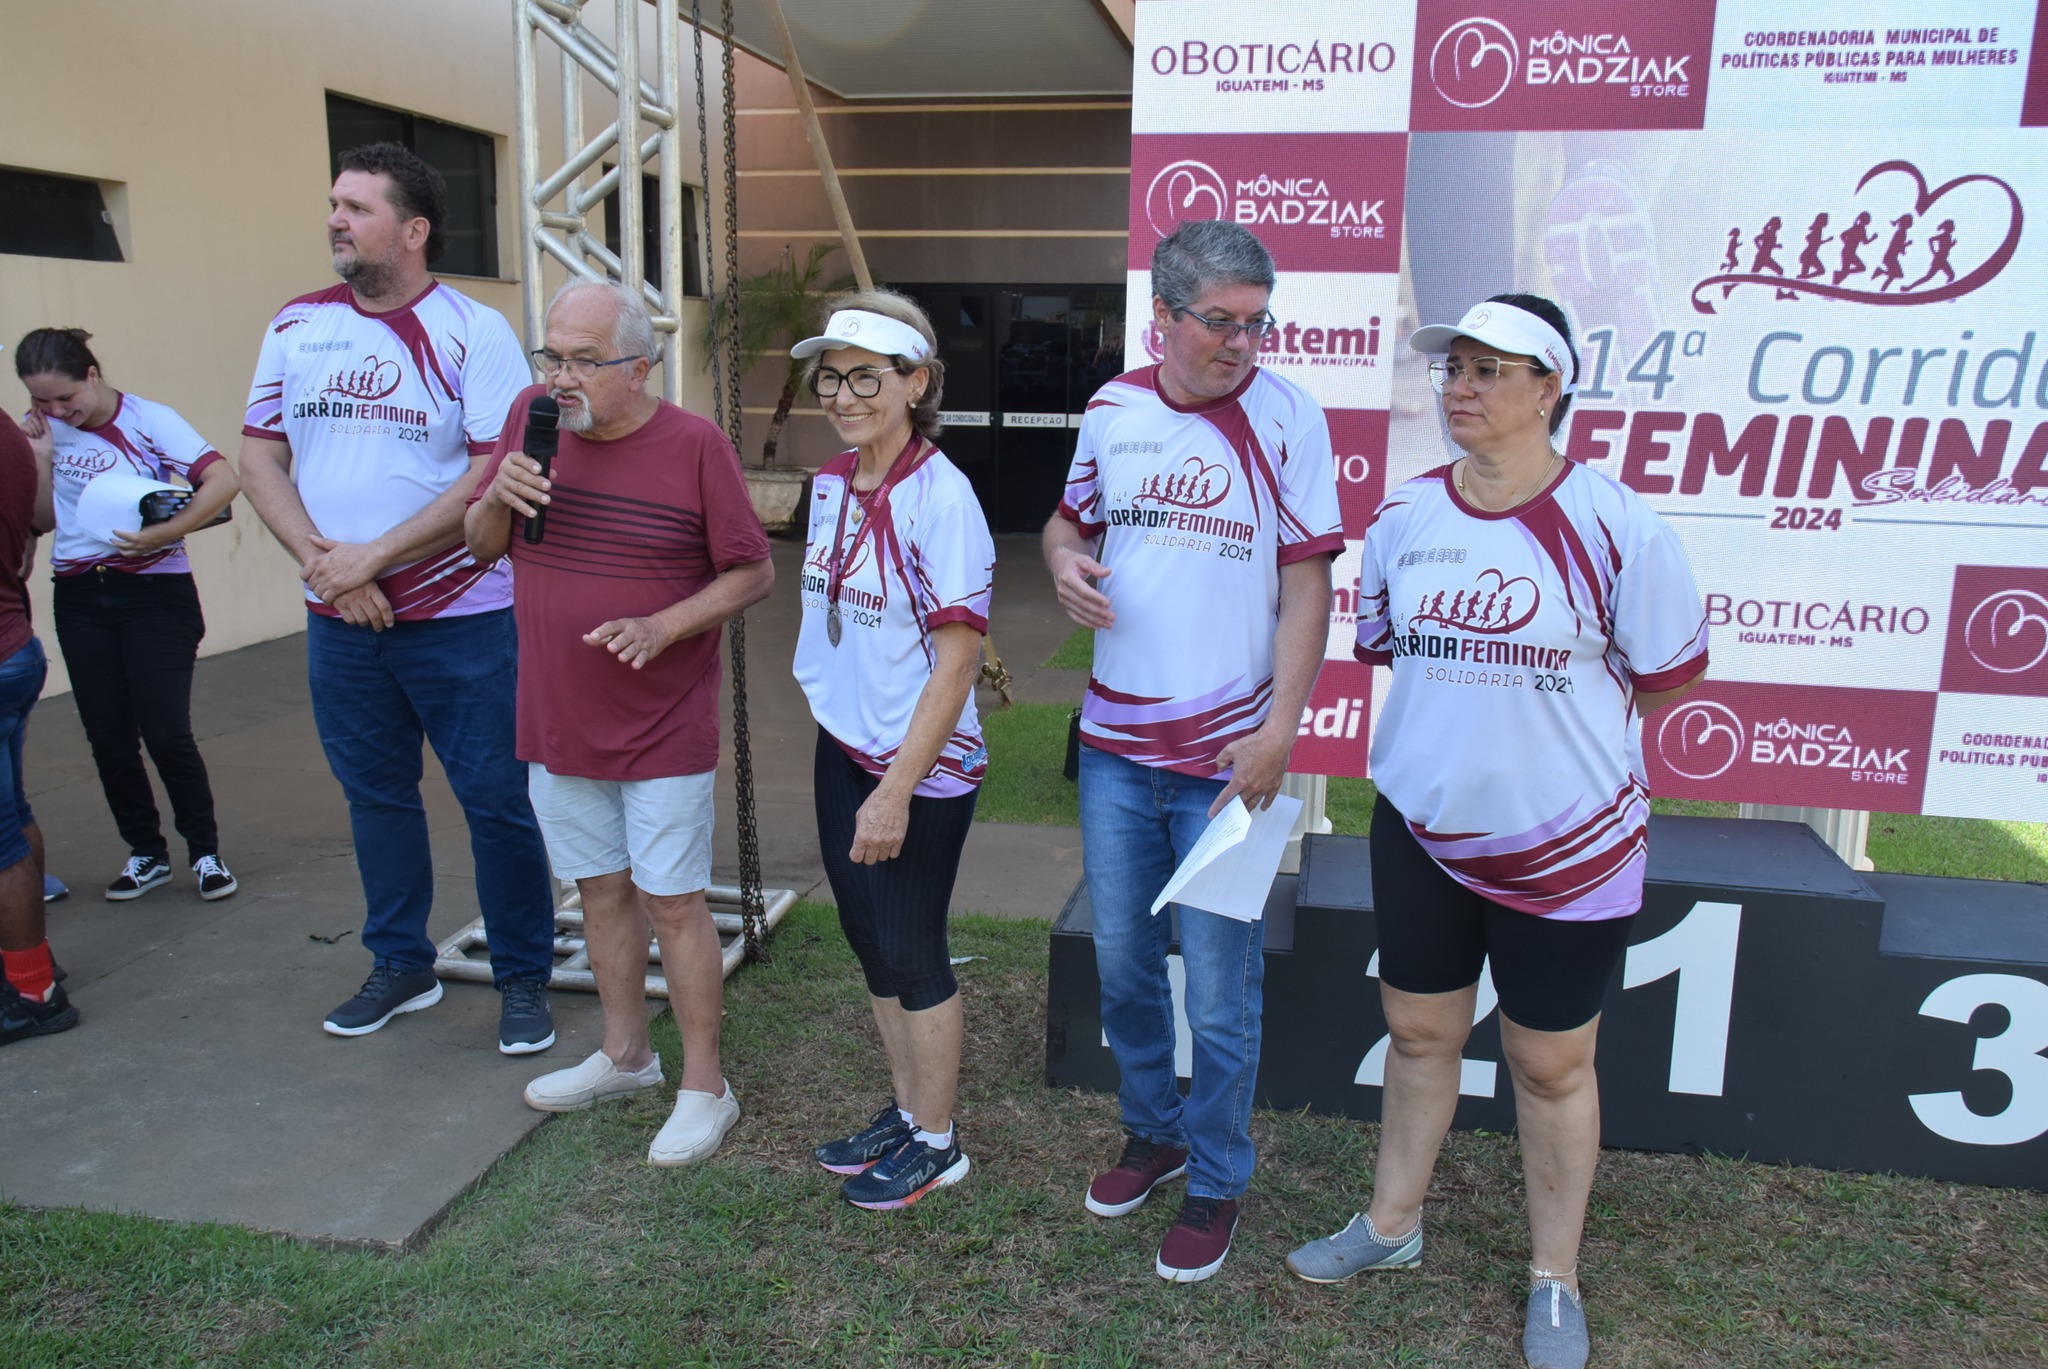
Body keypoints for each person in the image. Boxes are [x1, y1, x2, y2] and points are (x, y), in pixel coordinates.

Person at [1285, 294, 1708, 1369]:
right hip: (1422, 830)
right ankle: (1390, 1225)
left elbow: (1664, 679)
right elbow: (1388, 651)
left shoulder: (1617, 523)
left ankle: (1552, 1277)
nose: (1460, 388)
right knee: (1420, 1033)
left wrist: (1547, 761)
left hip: (1567, 848)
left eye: (1489, 369)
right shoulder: (1402, 518)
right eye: (1453, 368)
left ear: (1549, 387)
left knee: (1549, 1062)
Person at [1043, 220, 1342, 1282]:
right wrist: (1064, 562)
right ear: (1160, 317)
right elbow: (1065, 524)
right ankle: (1153, 1129)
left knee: (1217, 990)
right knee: (1124, 968)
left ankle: (1215, 1176)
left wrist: (1279, 732)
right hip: (1117, 748)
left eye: (1256, 323)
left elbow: (1308, 583)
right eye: (1218, 321)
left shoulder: (1288, 416)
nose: (1240, 344)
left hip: (1230, 759)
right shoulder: (1112, 409)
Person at [238, 142, 558, 1052]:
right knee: (375, 797)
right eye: (333, 203)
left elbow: (495, 469)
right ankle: (401, 963)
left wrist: (372, 559)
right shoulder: (296, 324)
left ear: (412, 230)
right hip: (339, 615)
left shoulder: (472, 328)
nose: (336, 219)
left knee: (495, 798)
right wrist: (324, 566)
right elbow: (259, 453)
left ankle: (523, 975)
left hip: (461, 620)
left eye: (357, 207)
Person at [465, 279, 772, 1165]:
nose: (561, 376)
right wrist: (500, 492)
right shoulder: (533, 420)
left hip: (662, 723)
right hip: (556, 717)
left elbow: (751, 572)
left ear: (640, 369)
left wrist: (663, 624)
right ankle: (627, 1054)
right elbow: (485, 544)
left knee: (672, 900)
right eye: (551, 355)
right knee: (598, 891)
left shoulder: (695, 445)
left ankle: (705, 1086)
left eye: (583, 361)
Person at [789, 291, 994, 1209]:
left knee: (914, 947)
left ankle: (940, 1140)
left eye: (867, 376)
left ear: (918, 383)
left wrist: (896, 789)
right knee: (869, 940)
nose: (844, 395)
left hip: (918, 765)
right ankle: (908, 1112)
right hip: (843, 742)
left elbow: (956, 661)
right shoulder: (833, 480)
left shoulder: (942, 498)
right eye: (831, 377)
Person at [14, 329, 241, 903]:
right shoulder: (43, 430)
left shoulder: (148, 418)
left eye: (65, 398)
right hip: (81, 596)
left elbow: (223, 480)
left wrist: (165, 533)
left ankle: (206, 851)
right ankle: (147, 852)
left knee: (166, 732)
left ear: (92, 374)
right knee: (109, 737)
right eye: (42, 401)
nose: (56, 410)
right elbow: (43, 520)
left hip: (154, 595)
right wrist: (39, 459)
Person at [0, 412, 70, 1046]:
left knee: (0, 837)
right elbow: (35, 528)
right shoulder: (9, 437)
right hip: (14, 651)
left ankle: (32, 993)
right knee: (12, 815)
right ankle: (32, 968)